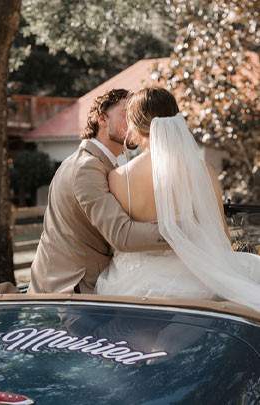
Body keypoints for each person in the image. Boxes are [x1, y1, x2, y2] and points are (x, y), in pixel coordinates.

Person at [96, 87, 260, 312]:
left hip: (133, 284)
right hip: (196, 279)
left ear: (134, 125)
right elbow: (220, 234)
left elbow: (121, 236)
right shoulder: (204, 171)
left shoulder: (118, 178)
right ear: (175, 119)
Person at [28, 89, 169, 294]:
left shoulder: (107, 165)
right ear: (102, 118)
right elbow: (122, 235)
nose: (132, 122)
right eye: (125, 114)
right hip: (69, 292)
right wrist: (180, 232)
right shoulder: (86, 168)